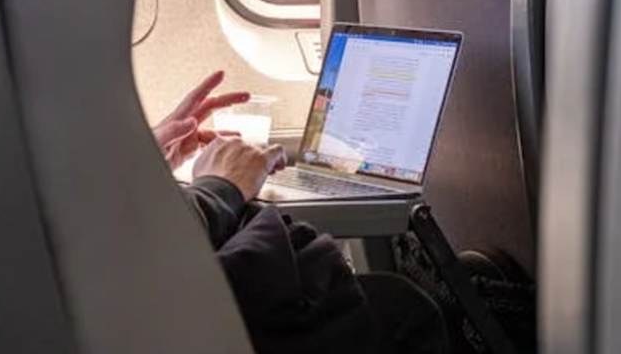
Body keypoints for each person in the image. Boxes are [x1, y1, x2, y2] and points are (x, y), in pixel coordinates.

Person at [151, 71, 448, 354]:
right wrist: (221, 185)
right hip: (181, 315)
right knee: (400, 305)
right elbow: (132, 254)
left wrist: (142, 159)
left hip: (167, 296)